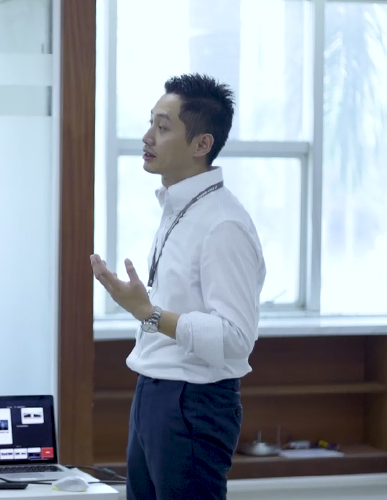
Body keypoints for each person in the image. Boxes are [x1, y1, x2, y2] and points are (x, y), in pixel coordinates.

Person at [89, 73, 266, 500]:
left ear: (202, 144)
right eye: (150, 123)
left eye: (163, 127)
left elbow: (236, 339)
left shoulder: (223, 223)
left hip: (193, 403)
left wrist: (148, 313)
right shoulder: (179, 208)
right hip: (153, 391)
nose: (147, 137)